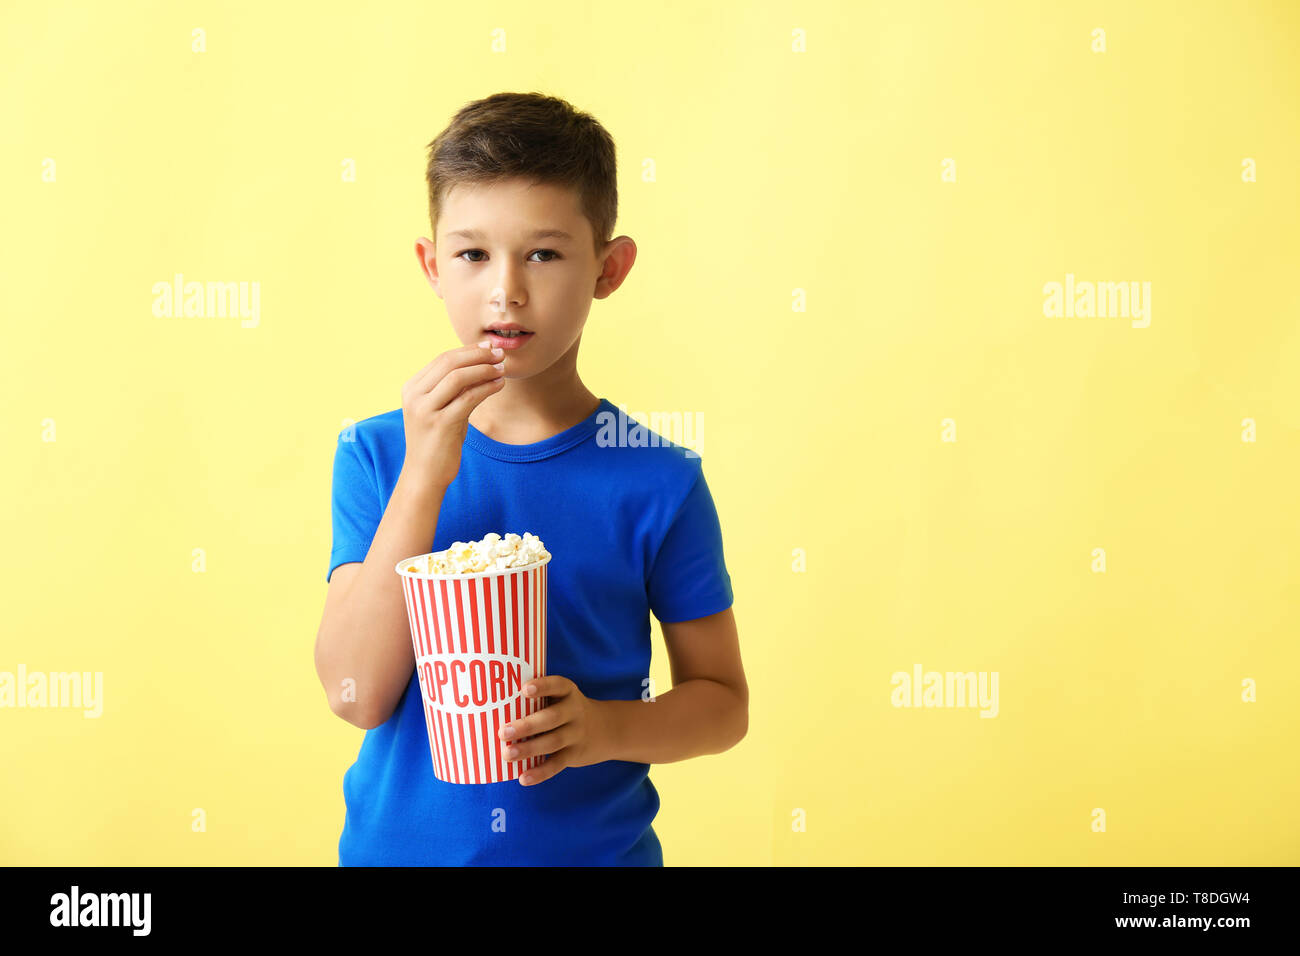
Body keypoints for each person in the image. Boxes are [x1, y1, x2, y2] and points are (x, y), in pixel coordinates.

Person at [314, 92, 747, 865]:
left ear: (609, 269)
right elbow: (356, 693)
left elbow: (722, 705)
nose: (505, 291)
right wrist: (425, 476)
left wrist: (605, 729)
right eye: (472, 254)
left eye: (544, 254)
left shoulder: (658, 479)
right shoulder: (379, 454)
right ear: (431, 265)